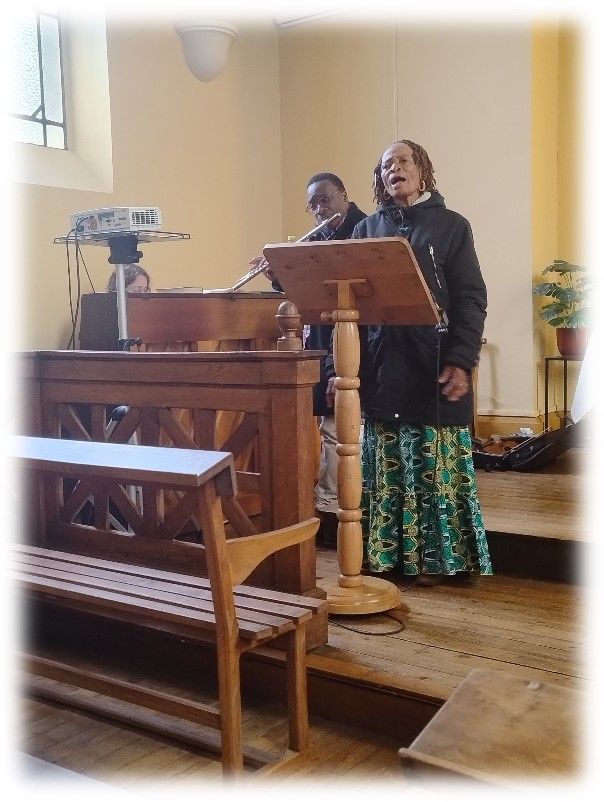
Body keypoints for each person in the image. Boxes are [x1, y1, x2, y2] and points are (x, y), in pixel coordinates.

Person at [341, 140, 492, 584]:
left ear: (422, 169)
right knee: (386, 465)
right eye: (387, 165)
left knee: (432, 465)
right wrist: (339, 372)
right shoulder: (367, 229)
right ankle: (389, 557)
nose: (395, 169)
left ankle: (437, 560)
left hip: (433, 365)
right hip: (382, 368)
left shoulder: (451, 226)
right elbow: (345, 304)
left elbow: (471, 298)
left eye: (404, 161)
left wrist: (461, 360)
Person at [249, 173, 366, 545]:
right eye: (313, 205)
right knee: (330, 431)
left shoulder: (364, 230)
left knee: (342, 430)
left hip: (355, 346)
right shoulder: (318, 238)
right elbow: (309, 293)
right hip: (322, 345)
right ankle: (330, 508)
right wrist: (278, 276)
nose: (319, 209)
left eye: (324, 200)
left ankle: (338, 510)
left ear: (343, 195)